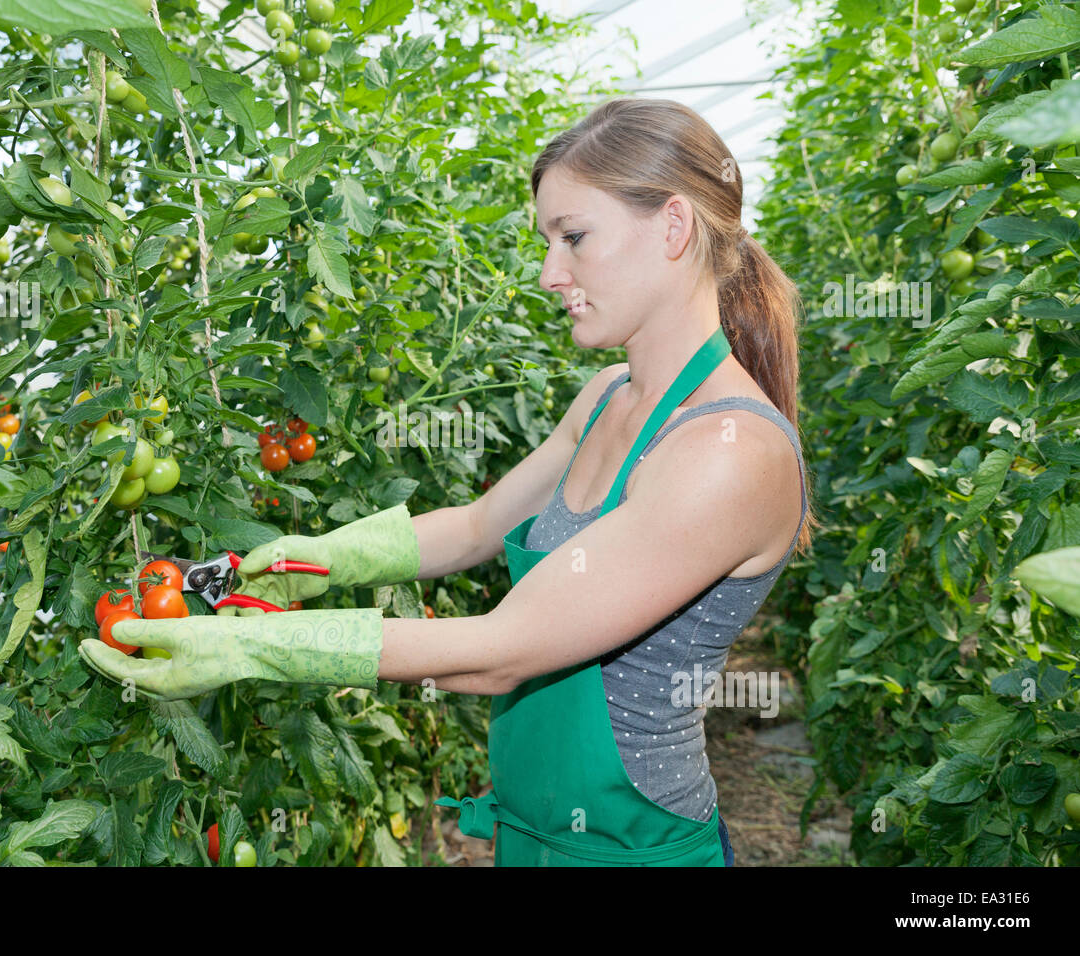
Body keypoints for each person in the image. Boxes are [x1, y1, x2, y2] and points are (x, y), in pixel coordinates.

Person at [80, 97, 817, 867]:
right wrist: (313, 558)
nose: (548, 273)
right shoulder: (606, 397)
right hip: (531, 836)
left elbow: (505, 648)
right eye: (546, 242)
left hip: (631, 852)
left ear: (673, 227)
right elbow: (476, 525)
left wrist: (254, 645)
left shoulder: (729, 453)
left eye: (574, 237)